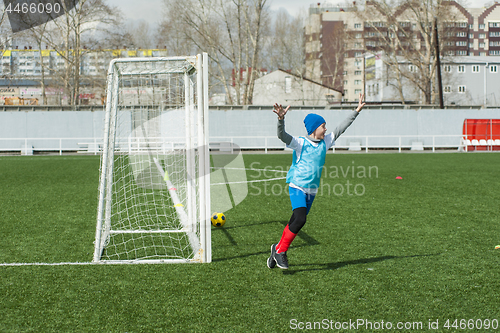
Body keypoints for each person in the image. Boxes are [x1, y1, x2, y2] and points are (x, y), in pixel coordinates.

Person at [267, 93, 366, 269]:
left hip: (312, 190)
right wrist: (281, 119)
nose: (326, 129)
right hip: (297, 185)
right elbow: (282, 136)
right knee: (300, 219)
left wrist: (356, 111)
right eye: (323, 126)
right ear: (314, 128)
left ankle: (277, 248)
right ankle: (281, 252)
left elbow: (342, 127)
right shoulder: (300, 143)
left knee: (295, 221)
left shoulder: (325, 142)